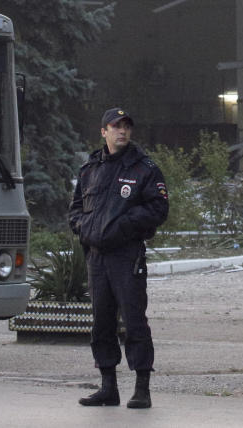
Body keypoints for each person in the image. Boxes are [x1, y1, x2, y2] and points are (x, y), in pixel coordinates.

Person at [68, 107, 168, 409]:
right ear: (103, 132)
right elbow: (74, 210)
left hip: (127, 255)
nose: (122, 131)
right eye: (115, 126)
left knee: (135, 321)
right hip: (97, 257)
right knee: (101, 323)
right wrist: (84, 228)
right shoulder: (90, 169)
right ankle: (108, 387)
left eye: (126, 126)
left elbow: (158, 209)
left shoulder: (144, 169)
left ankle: (142, 388)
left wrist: (124, 225)